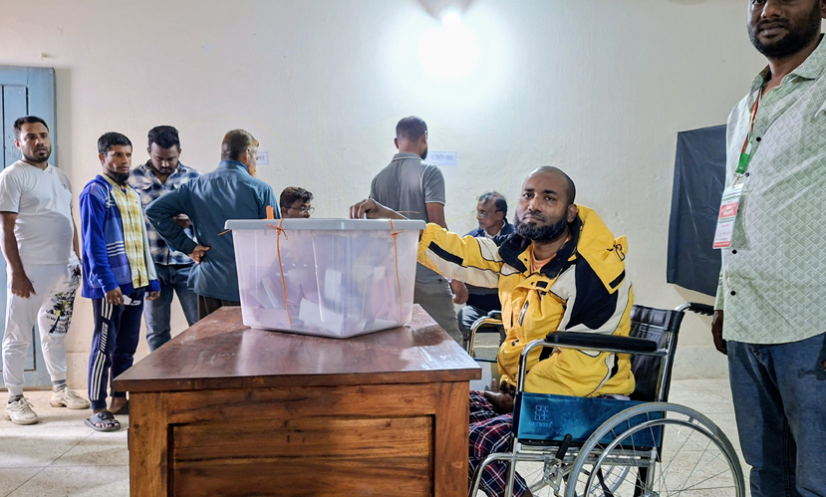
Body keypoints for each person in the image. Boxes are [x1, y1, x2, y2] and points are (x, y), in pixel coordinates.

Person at [351, 166, 634, 497]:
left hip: (587, 399)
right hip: (531, 391)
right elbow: (463, 252)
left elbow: (581, 367)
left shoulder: (594, 272)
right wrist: (395, 221)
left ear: (570, 212)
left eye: (549, 198)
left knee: (475, 440)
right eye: (528, 195)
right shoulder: (519, 253)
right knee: (442, 413)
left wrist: (518, 398)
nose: (534, 205)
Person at [711, 1, 826, 496]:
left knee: (818, 480)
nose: (768, 8)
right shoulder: (745, 107)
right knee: (768, 474)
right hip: (747, 320)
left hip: (812, 325)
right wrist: (723, 299)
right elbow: (734, 205)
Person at [0, 116, 90, 425]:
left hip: (66, 270)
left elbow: (69, 220)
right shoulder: (12, 176)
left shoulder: (61, 176)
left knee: (56, 331)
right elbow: (6, 229)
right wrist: (17, 273)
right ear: (18, 143)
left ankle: (60, 389)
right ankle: (14, 399)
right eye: (31, 137)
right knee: (18, 335)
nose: (39, 141)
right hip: (31, 271)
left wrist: (78, 259)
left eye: (43, 135)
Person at [146, 129, 278, 320]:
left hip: (209, 284)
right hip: (249, 288)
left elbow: (155, 211)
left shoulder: (195, 186)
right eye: (256, 157)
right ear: (247, 154)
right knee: (247, 338)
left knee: (209, 338)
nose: (255, 163)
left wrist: (188, 247)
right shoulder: (261, 190)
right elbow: (273, 239)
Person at [80, 132, 160, 431]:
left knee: (126, 346)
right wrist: (107, 283)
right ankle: (98, 407)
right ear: (103, 157)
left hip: (135, 283)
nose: (124, 160)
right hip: (111, 286)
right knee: (104, 345)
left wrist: (151, 279)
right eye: (117, 154)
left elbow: (141, 240)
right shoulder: (95, 192)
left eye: (127, 154)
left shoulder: (131, 193)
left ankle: (118, 399)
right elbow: (93, 244)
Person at [369, 116, 462, 343]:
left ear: (396, 142)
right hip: (427, 275)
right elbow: (437, 227)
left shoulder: (379, 180)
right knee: (448, 345)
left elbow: (376, 235)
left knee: (401, 344)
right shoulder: (430, 173)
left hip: (392, 279)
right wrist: (456, 276)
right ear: (424, 138)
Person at [130, 126, 200, 351]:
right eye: (159, 158)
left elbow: (206, 217)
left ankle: (203, 370)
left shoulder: (194, 178)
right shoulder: (132, 178)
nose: (165, 164)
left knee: (201, 326)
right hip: (152, 267)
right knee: (156, 331)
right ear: (148, 151)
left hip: (188, 265)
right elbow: (129, 221)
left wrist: (190, 220)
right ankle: (160, 373)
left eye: (171, 158)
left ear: (180, 152)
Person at [456, 192, 516, 347]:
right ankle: (467, 360)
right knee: (461, 322)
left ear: (499, 215)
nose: (478, 217)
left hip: (509, 308)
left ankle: (505, 361)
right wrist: (456, 281)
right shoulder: (470, 239)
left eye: (483, 213)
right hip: (477, 307)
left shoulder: (517, 238)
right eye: (478, 212)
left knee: (514, 333)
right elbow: (455, 266)